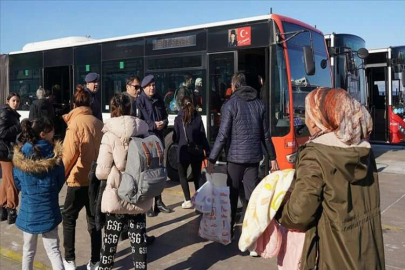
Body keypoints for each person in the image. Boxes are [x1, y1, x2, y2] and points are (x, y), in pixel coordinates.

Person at [276, 88, 385, 270]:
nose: (306, 120)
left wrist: (277, 208)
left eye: (309, 114)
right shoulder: (363, 148)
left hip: (331, 256)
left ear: (322, 118)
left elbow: (299, 214)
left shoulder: (315, 155)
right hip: (366, 254)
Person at [207, 72, 278, 238]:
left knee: (232, 196)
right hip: (253, 159)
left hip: (235, 160)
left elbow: (223, 135)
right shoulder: (259, 105)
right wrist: (273, 157)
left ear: (234, 86)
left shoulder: (230, 105)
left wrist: (212, 159)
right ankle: (251, 237)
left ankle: (229, 231)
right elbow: (265, 135)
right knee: (251, 198)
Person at [96, 94, 152, 269]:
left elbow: (101, 172)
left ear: (113, 110)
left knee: (110, 241)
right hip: (139, 192)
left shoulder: (109, 135)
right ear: (131, 109)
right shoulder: (143, 130)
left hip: (118, 193)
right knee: (139, 240)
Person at [12, 118, 65, 270]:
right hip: (49, 209)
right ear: (43, 134)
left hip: (29, 210)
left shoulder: (21, 154)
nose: (54, 132)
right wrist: (51, 191)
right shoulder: (54, 154)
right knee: (53, 250)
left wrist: (28, 191)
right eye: (51, 130)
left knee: (28, 251)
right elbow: (60, 179)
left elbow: (17, 180)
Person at [62, 85, 104, 270]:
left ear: (74, 104)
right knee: (94, 221)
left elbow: (67, 156)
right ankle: (95, 260)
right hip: (96, 179)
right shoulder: (98, 123)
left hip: (77, 179)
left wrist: (59, 179)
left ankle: (69, 259)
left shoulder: (74, 125)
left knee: (69, 217)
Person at [137, 75, 173, 217]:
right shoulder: (139, 101)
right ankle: (148, 205)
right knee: (147, 174)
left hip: (158, 140)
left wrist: (163, 122)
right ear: (144, 88)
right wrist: (153, 125)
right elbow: (139, 122)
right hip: (146, 141)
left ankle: (158, 202)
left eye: (153, 85)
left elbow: (165, 115)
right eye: (149, 86)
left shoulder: (158, 99)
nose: (152, 88)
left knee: (158, 172)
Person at [173, 96, 210, 208]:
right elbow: (203, 136)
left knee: (182, 175)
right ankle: (199, 201)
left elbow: (176, 137)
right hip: (196, 151)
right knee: (197, 176)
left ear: (181, 105)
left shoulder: (178, 119)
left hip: (183, 151)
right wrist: (207, 150)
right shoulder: (198, 118)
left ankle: (188, 200)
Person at [0, 92, 21, 224]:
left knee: (7, 180)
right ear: (8, 101)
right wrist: (17, 127)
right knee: (13, 180)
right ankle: (11, 209)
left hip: (7, 150)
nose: (16, 103)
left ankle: (2, 208)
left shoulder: (11, 113)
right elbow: (2, 133)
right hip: (5, 151)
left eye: (18, 101)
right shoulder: (5, 113)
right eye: (13, 100)